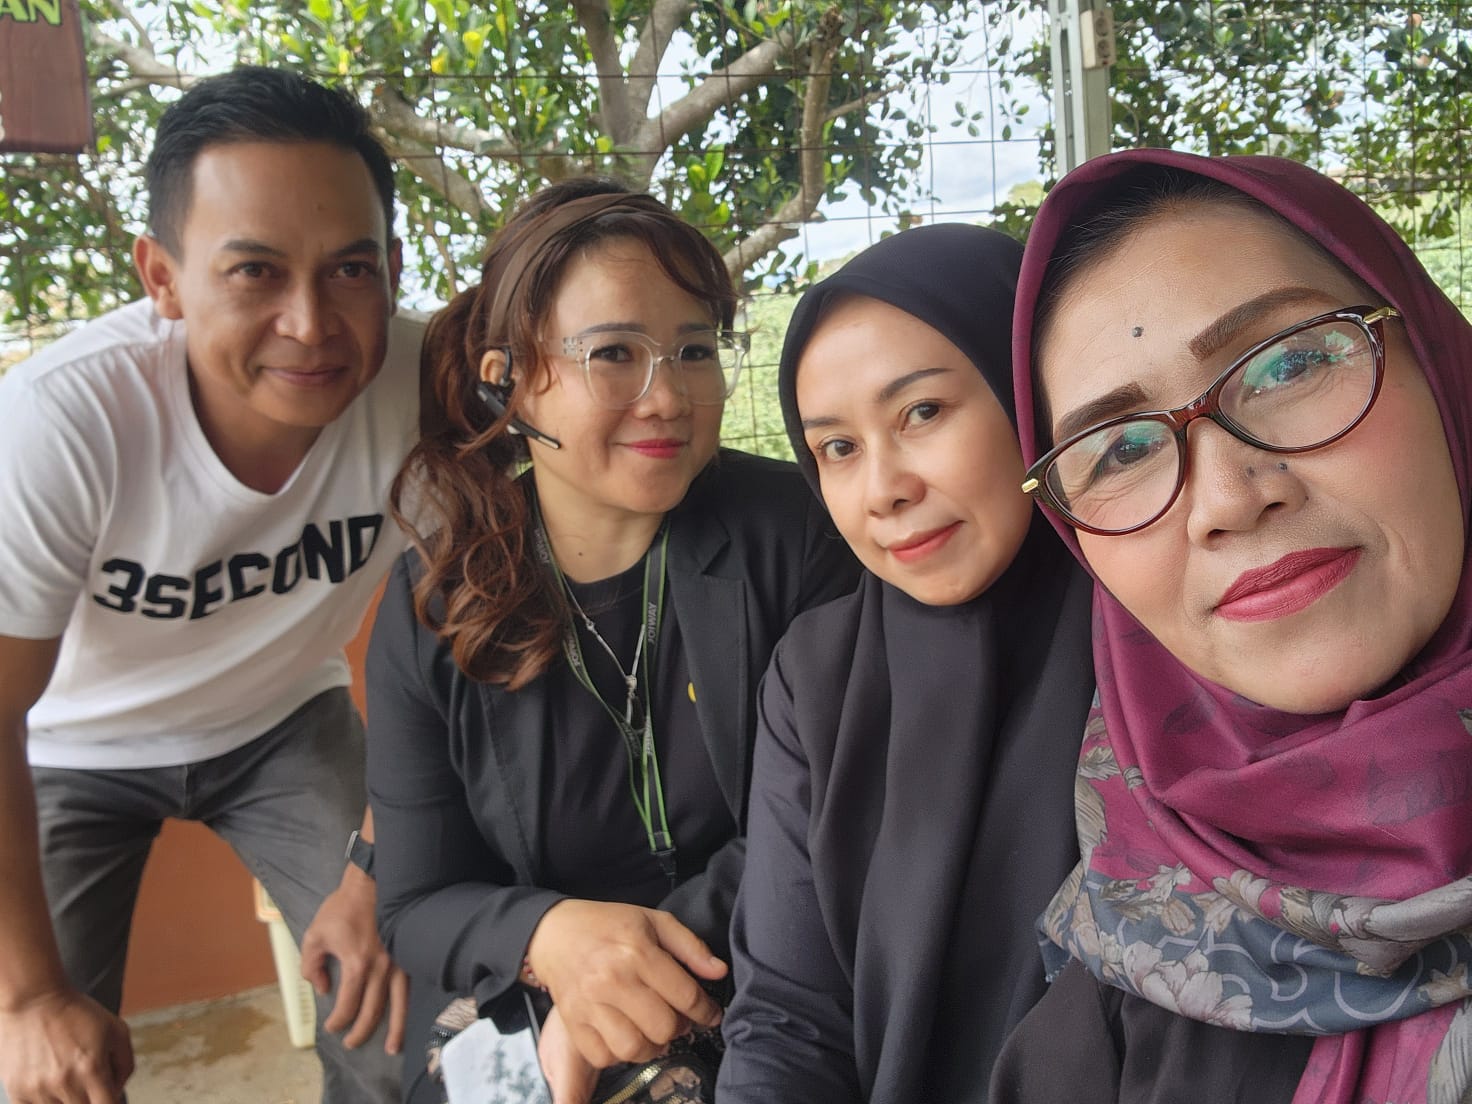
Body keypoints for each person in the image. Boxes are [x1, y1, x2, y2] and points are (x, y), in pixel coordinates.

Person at [988, 148, 1472, 1104]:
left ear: (1438, 359)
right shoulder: (1125, 976)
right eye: (1119, 449)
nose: (1227, 499)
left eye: (1291, 364)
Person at [364, 178, 860, 1104]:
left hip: (778, 962)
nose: (667, 396)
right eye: (614, 354)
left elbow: (832, 816)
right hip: (543, 985)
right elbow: (416, 904)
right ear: (509, 377)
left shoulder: (798, 534)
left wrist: (629, 970)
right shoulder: (436, 600)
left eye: (694, 351)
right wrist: (550, 937)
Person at [0, 66, 420, 1104]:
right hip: (73, 747)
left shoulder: (424, 392)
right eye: (254, 272)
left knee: (403, 1003)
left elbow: (460, 648)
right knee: (34, 1068)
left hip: (284, 720)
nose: (310, 323)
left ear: (393, 269)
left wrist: (375, 872)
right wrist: (29, 999)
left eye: (350, 269)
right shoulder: (66, 422)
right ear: (163, 277)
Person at [715, 224, 1096, 1103]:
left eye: (921, 412)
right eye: (838, 448)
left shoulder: (1164, 624)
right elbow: (788, 1015)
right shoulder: (817, 679)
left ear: (1030, 393)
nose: (883, 488)